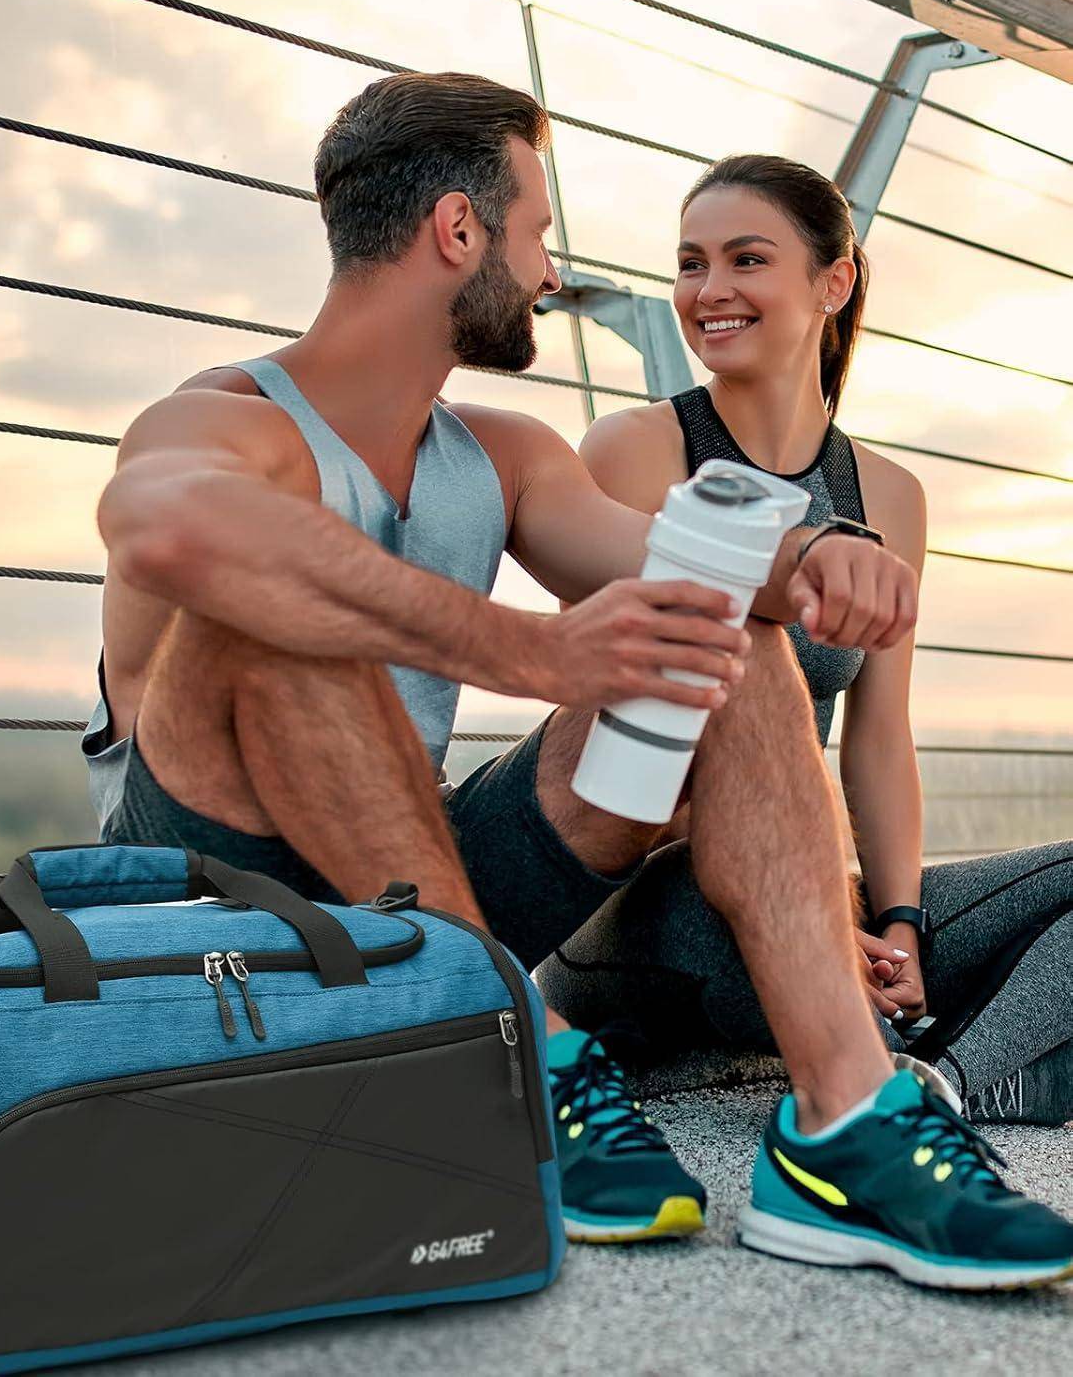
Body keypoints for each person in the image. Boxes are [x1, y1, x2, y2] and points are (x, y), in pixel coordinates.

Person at [82, 73, 1073, 1286]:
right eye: (538, 232)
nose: (551, 274)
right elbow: (171, 530)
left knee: (709, 622)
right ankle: (504, 1052)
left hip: (416, 892)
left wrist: (812, 557)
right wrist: (525, 649)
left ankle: (847, 1125)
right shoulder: (223, 419)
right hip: (210, 914)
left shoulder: (501, 455)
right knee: (264, 611)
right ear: (460, 231)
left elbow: (662, 559)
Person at [536, 154, 1073, 1132]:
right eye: (691, 263)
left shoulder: (889, 495)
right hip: (658, 904)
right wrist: (816, 915)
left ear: (834, 282)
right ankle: (942, 1069)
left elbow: (879, 735)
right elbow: (618, 734)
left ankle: (950, 1081)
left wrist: (898, 923)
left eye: (746, 259)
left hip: (815, 891)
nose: (709, 290)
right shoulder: (638, 451)